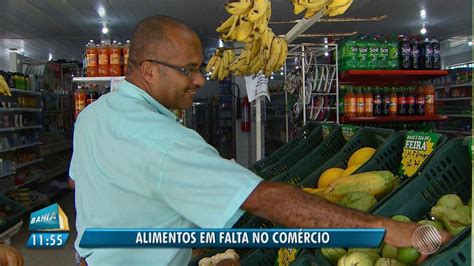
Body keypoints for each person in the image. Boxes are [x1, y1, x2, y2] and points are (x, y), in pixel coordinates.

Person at [70, 15, 450, 265]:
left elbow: (80, 180)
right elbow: (265, 199)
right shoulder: (165, 141)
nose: (200, 80)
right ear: (150, 71)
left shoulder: (93, 115)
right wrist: (394, 230)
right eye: (188, 70)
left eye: (200, 68)